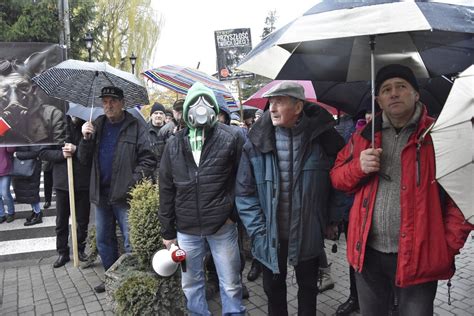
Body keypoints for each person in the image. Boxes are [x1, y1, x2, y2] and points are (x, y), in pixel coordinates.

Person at [330, 64, 474, 316]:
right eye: (386, 89)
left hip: (420, 256)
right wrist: (358, 167)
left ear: (416, 94)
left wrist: (445, 246)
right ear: (378, 100)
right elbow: (337, 178)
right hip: (369, 256)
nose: (393, 93)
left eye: (401, 87)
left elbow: (463, 198)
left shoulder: (438, 135)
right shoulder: (364, 136)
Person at [235, 81, 345, 315]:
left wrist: (331, 220)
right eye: (270, 102)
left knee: (308, 289)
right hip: (269, 234)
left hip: (308, 231)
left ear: (298, 107)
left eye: (279, 102)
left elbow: (338, 184)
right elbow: (244, 194)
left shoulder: (323, 139)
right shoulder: (255, 143)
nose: (272, 108)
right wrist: (258, 231)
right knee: (273, 290)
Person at [159, 82, 246, 315]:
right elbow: (166, 188)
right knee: (191, 284)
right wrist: (168, 232)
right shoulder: (173, 144)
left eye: (206, 101)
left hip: (221, 226)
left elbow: (243, 180)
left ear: (215, 109)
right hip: (187, 229)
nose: (201, 107)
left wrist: (232, 216)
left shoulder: (232, 137)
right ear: (187, 109)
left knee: (230, 283)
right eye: (195, 101)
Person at [78, 86, 156, 293]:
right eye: (104, 101)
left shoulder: (135, 125)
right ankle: (112, 278)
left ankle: (131, 281)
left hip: (125, 196)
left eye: (112, 100)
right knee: (104, 240)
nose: (108, 105)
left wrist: (131, 182)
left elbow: (148, 159)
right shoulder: (97, 125)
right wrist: (85, 139)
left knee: (131, 241)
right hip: (102, 195)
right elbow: (83, 160)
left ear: (122, 103)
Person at [40, 116, 92, 268]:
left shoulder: (88, 124)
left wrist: (81, 143)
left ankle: (80, 249)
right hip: (63, 183)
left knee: (82, 221)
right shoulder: (56, 125)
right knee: (61, 221)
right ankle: (62, 252)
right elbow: (43, 152)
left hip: (83, 183)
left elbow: (90, 155)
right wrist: (61, 155)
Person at [0, 58, 64, 145]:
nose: (14, 96)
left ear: (34, 89)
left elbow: (60, 151)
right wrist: (3, 124)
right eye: (5, 88)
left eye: (23, 87)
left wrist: (28, 124)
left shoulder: (51, 116)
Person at [12, 146, 43, 226]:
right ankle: (35, 211)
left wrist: (18, 154)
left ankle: (38, 213)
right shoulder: (23, 138)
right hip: (26, 166)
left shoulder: (31, 137)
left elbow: (36, 152)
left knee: (32, 192)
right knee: (28, 193)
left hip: (32, 167)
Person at [155, 99, 185, 168]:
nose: (180, 114)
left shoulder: (194, 128)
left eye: (182, 110)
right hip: (171, 167)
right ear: (174, 112)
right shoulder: (164, 130)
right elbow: (159, 156)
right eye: (178, 111)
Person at [147, 102, 166, 174]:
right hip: (149, 173)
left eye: (161, 113)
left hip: (166, 172)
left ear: (164, 116)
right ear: (151, 116)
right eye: (156, 113)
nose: (158, 115)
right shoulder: (143, 131)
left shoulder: (171, 132)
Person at [0, 146, 15, 223]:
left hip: (5, 169)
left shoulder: (5, 138)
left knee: (5, 193)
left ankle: (11, 212)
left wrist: (7, 142)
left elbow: (11, 150)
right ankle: (1, 214)